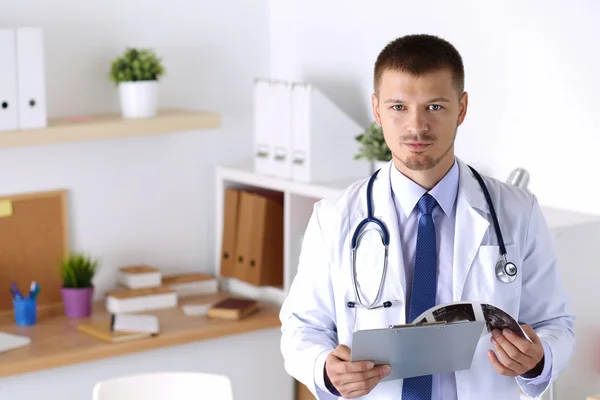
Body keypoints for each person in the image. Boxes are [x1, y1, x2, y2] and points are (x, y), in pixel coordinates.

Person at [279, 34, 575, 400]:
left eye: (434, 107)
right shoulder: (333, 217)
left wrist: (538, 357)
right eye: (398, 107)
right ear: (377, 110)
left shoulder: (518, 212)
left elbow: (555, 323)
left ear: (461, 109)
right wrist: (324, 367)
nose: (416, 127)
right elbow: (300, 329)